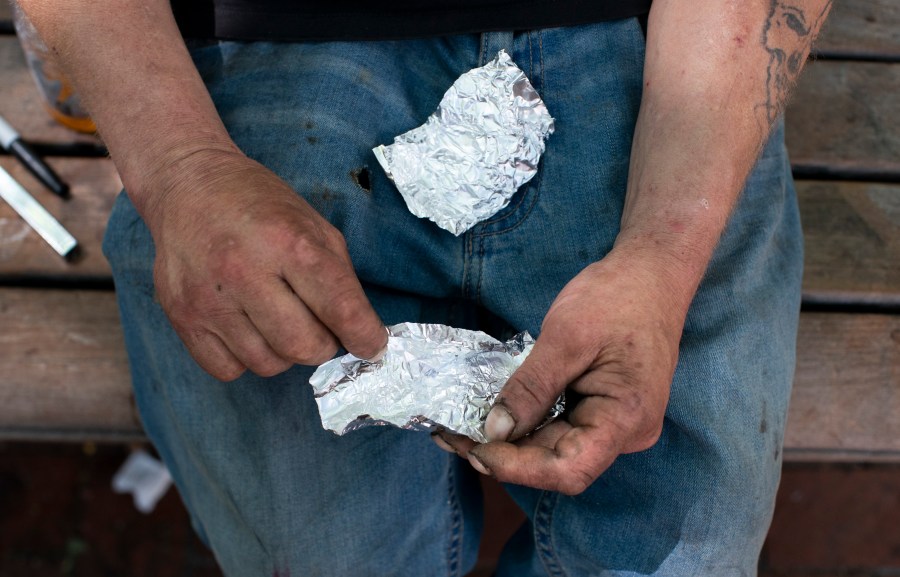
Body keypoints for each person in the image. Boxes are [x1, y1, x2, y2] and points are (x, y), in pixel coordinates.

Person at [21, 0, 832, 575]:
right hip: (264, 52)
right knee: (327, 556)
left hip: (656, 48)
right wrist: (179, 167)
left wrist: (662, 252)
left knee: (681, 557)